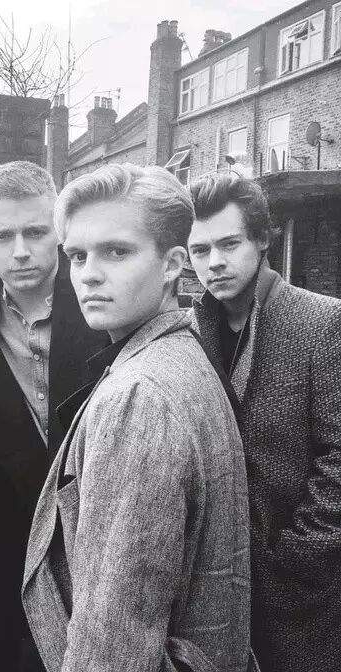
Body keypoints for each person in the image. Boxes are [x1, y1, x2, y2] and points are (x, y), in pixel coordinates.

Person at [22, 163, 252, 672]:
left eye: (116, 251)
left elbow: (114, 644)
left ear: (172, 265)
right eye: (77, 255)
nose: (88, 273)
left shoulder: (139, 395)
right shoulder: (183, 352)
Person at [188, 172, 341, 672]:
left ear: (261, 239)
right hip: (217, 596)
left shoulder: (323, 322)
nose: (214, 262)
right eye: (199, 250)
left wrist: (295, 559)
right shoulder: (189, 334)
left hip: (305, 600)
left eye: (229, 244)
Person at [0, 161, 107, 672]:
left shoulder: (105, 306)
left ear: (59, 230)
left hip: (105, 537)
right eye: (2, 236)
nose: (20, 250)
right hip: (13, 553)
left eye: (36, 232)